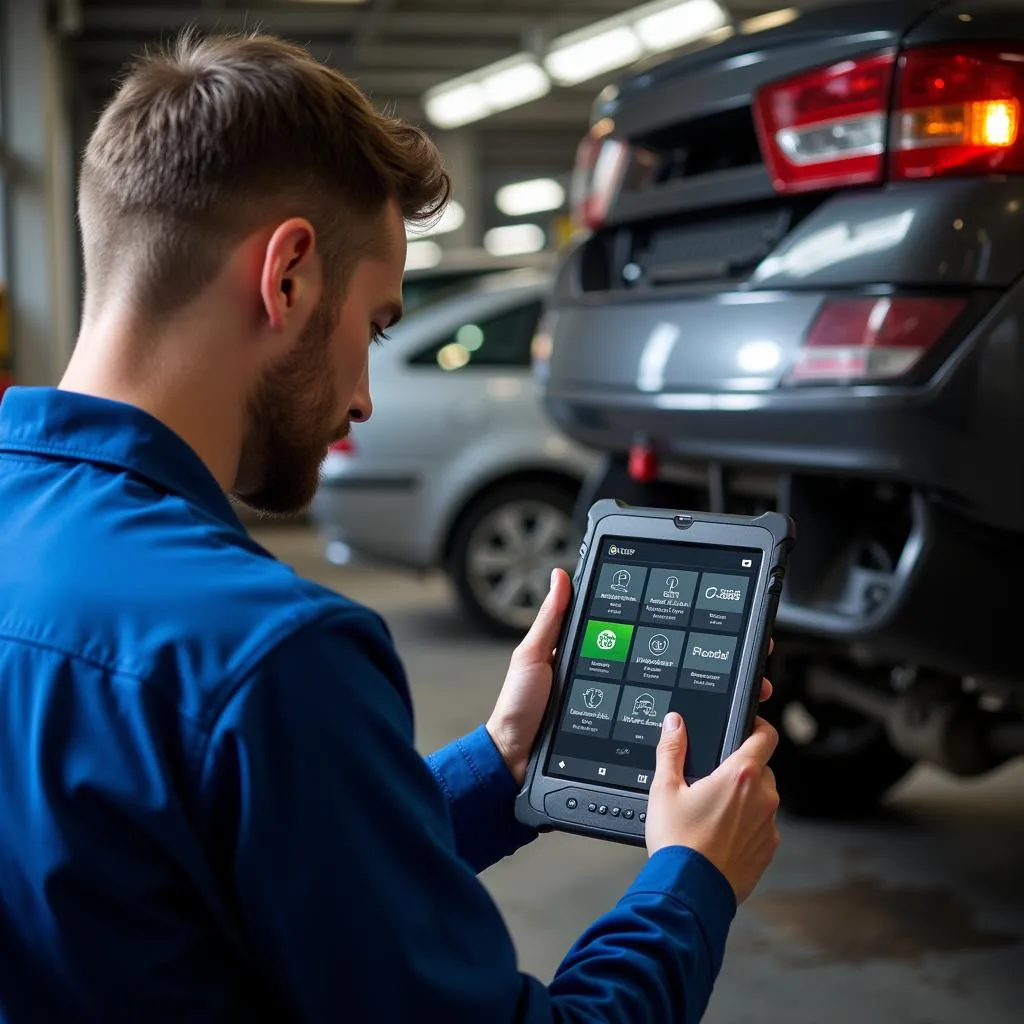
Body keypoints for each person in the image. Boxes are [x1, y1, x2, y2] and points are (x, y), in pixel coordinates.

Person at [0, 32, 780, 1023]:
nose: (366, 398)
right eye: (374, 326)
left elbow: (253, 870)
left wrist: (501, 765)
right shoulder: (268, 657)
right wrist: (691, 879)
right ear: (287, 276)